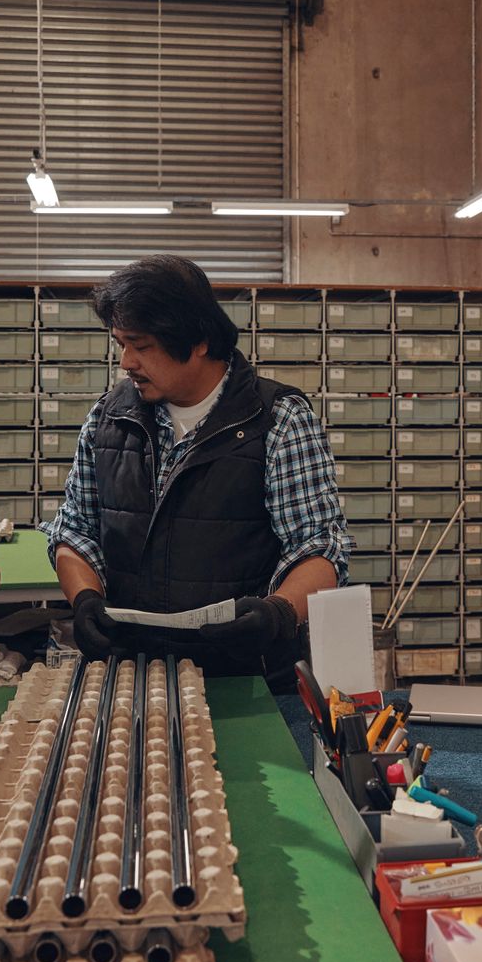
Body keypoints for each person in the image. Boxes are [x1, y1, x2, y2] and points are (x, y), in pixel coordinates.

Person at [41, 254, 352, 690]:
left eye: (141, 346)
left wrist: (277, 612)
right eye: (121, 344)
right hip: (132, 674)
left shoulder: (277, 420)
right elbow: (75, 530)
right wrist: (86, 599)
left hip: (248, 680)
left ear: (199, 340)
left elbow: (318, 547)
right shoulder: (109, 418)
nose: (126, 362)